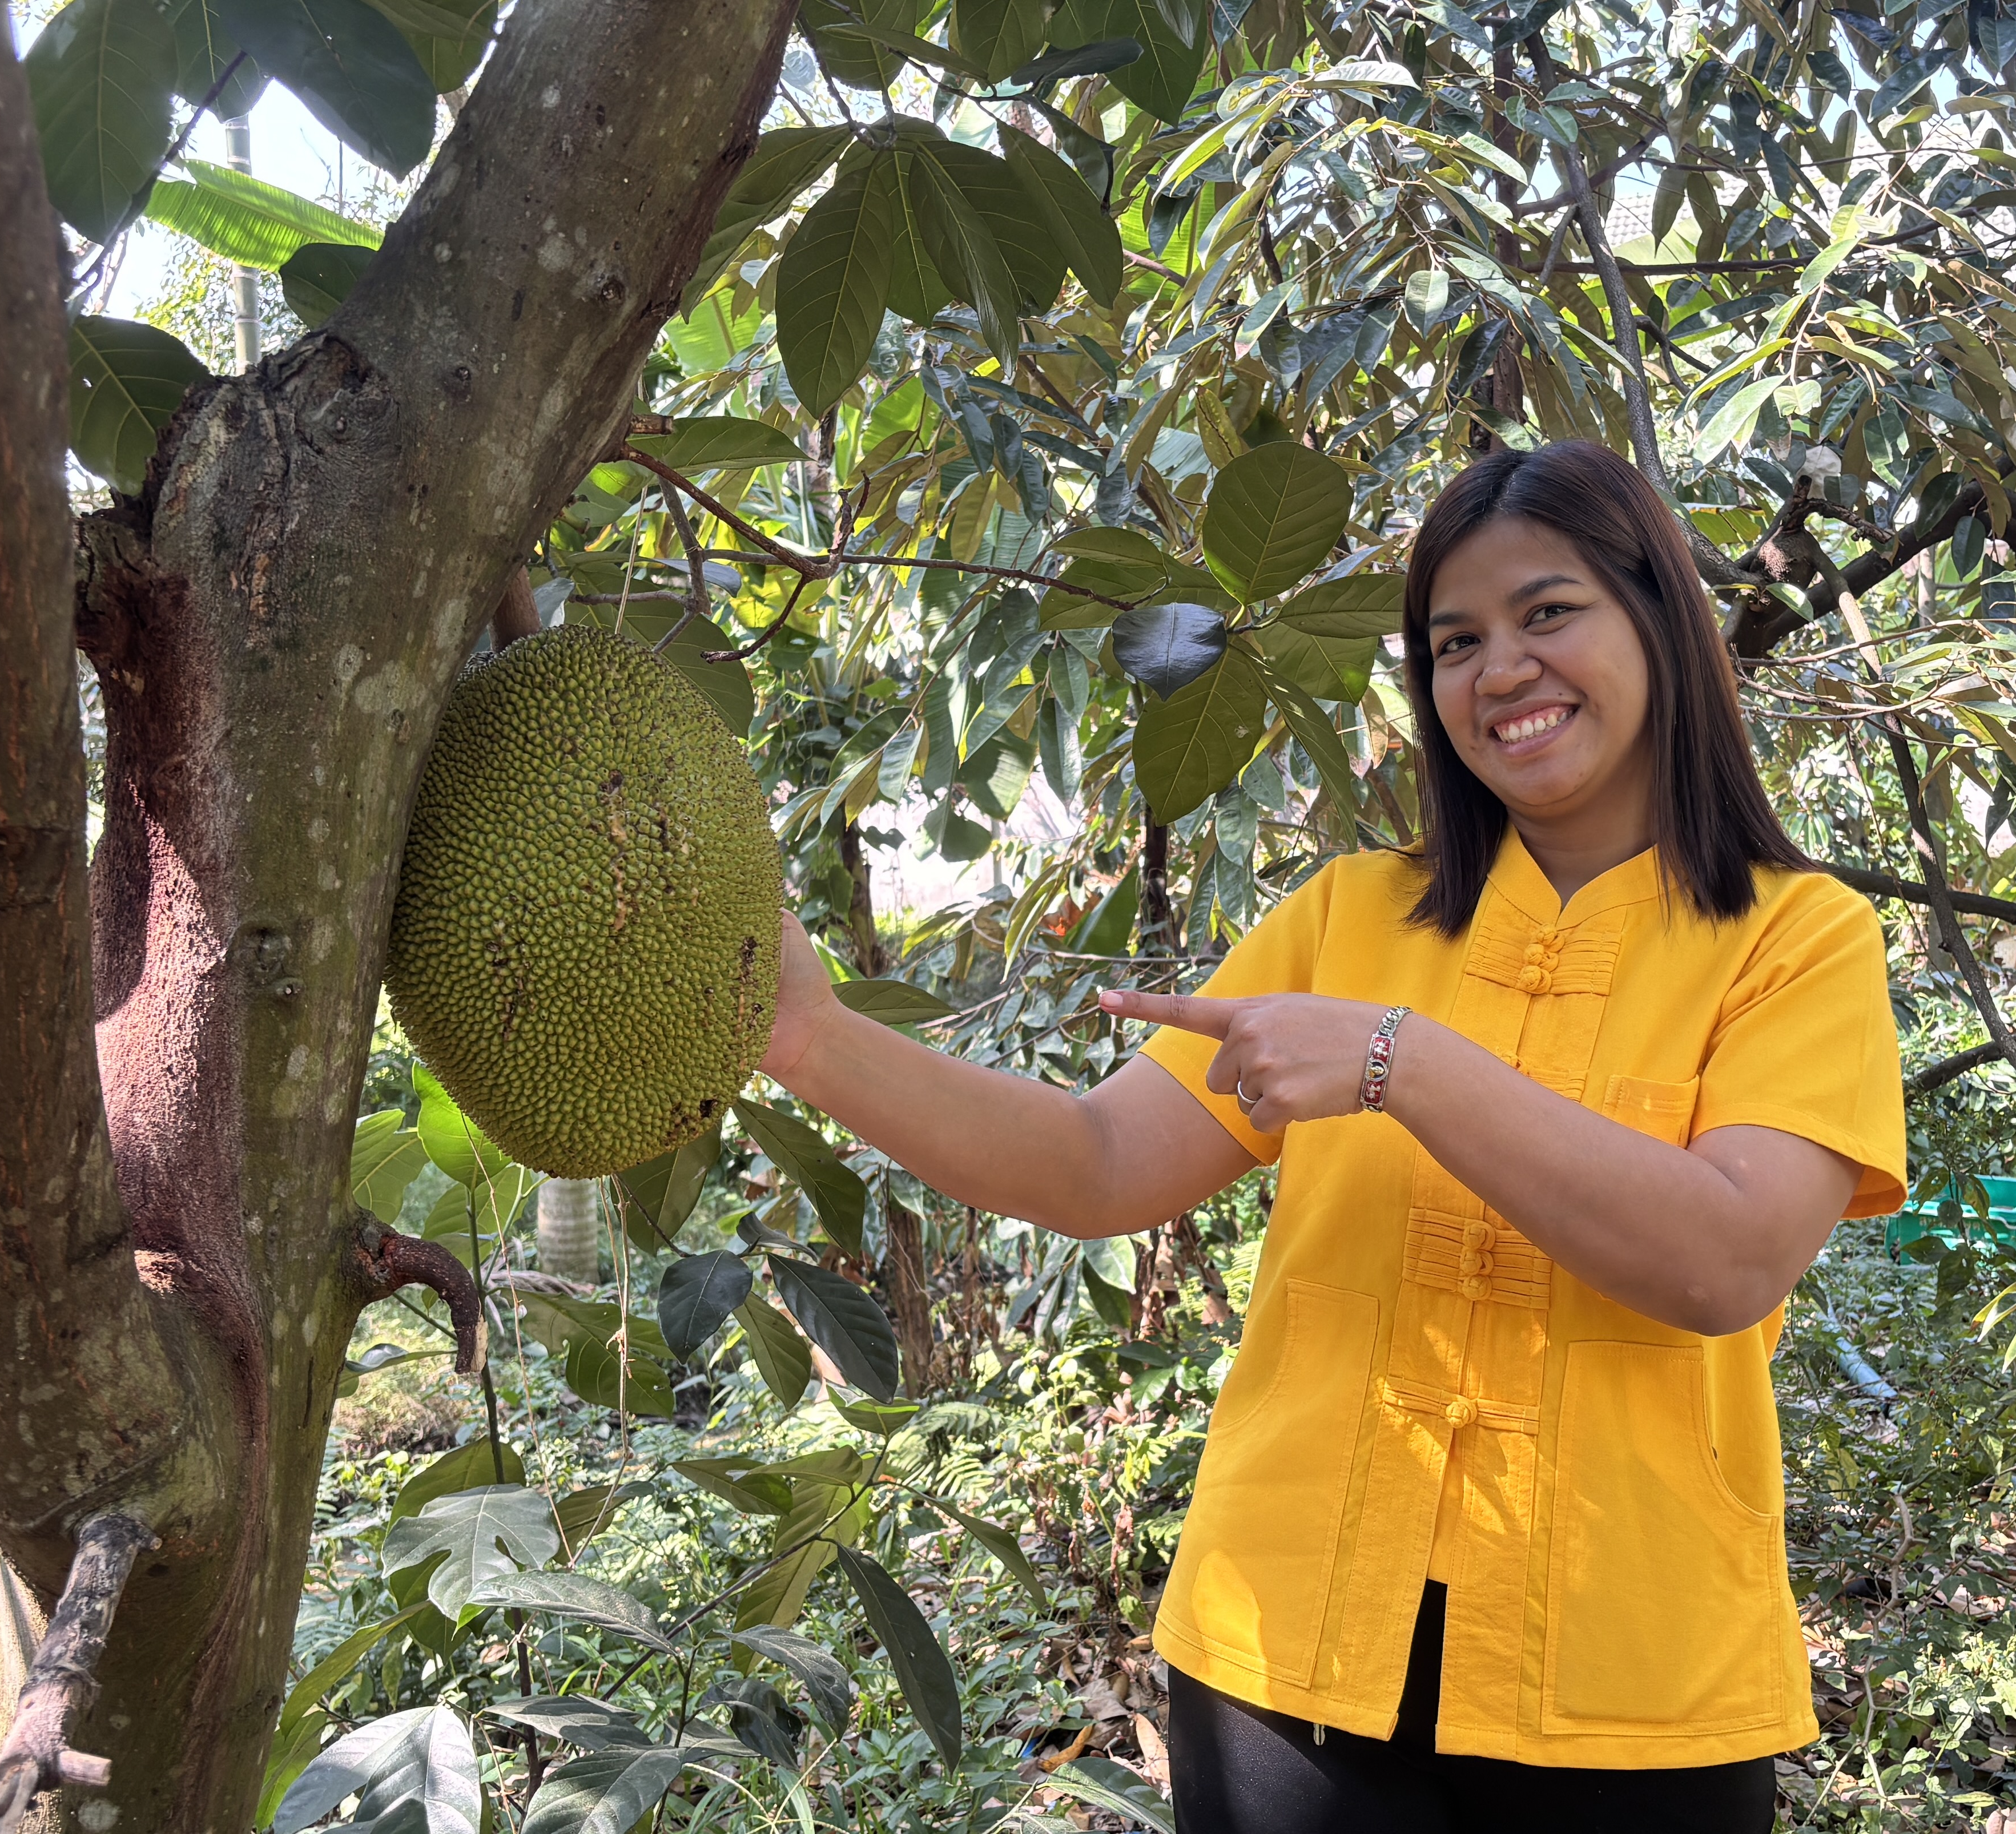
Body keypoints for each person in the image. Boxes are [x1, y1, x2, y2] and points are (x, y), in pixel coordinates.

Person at [759, 439, 1907, 1832]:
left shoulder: (1797, 938)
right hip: (1289, 1671)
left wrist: (1398, 1060)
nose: (1501, 670)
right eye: (1455, 641)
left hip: (1640, 1686)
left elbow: (1727, 1259)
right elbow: (1097, 1162)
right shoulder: (1348, 914)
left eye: (1548, 612)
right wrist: (812, 1037)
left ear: (1659, 619)